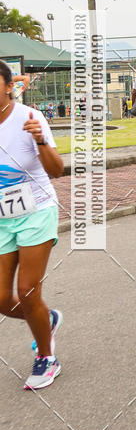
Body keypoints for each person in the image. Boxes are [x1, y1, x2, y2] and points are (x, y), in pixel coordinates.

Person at [0, 60, 64, 389]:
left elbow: (57, 170)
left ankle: (46, 358)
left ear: (8, 86)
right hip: (3, 218)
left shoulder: (29, 117)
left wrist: (40, 141)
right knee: (1, 298)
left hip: (36, 210)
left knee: (27, 290)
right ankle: (45, 318)